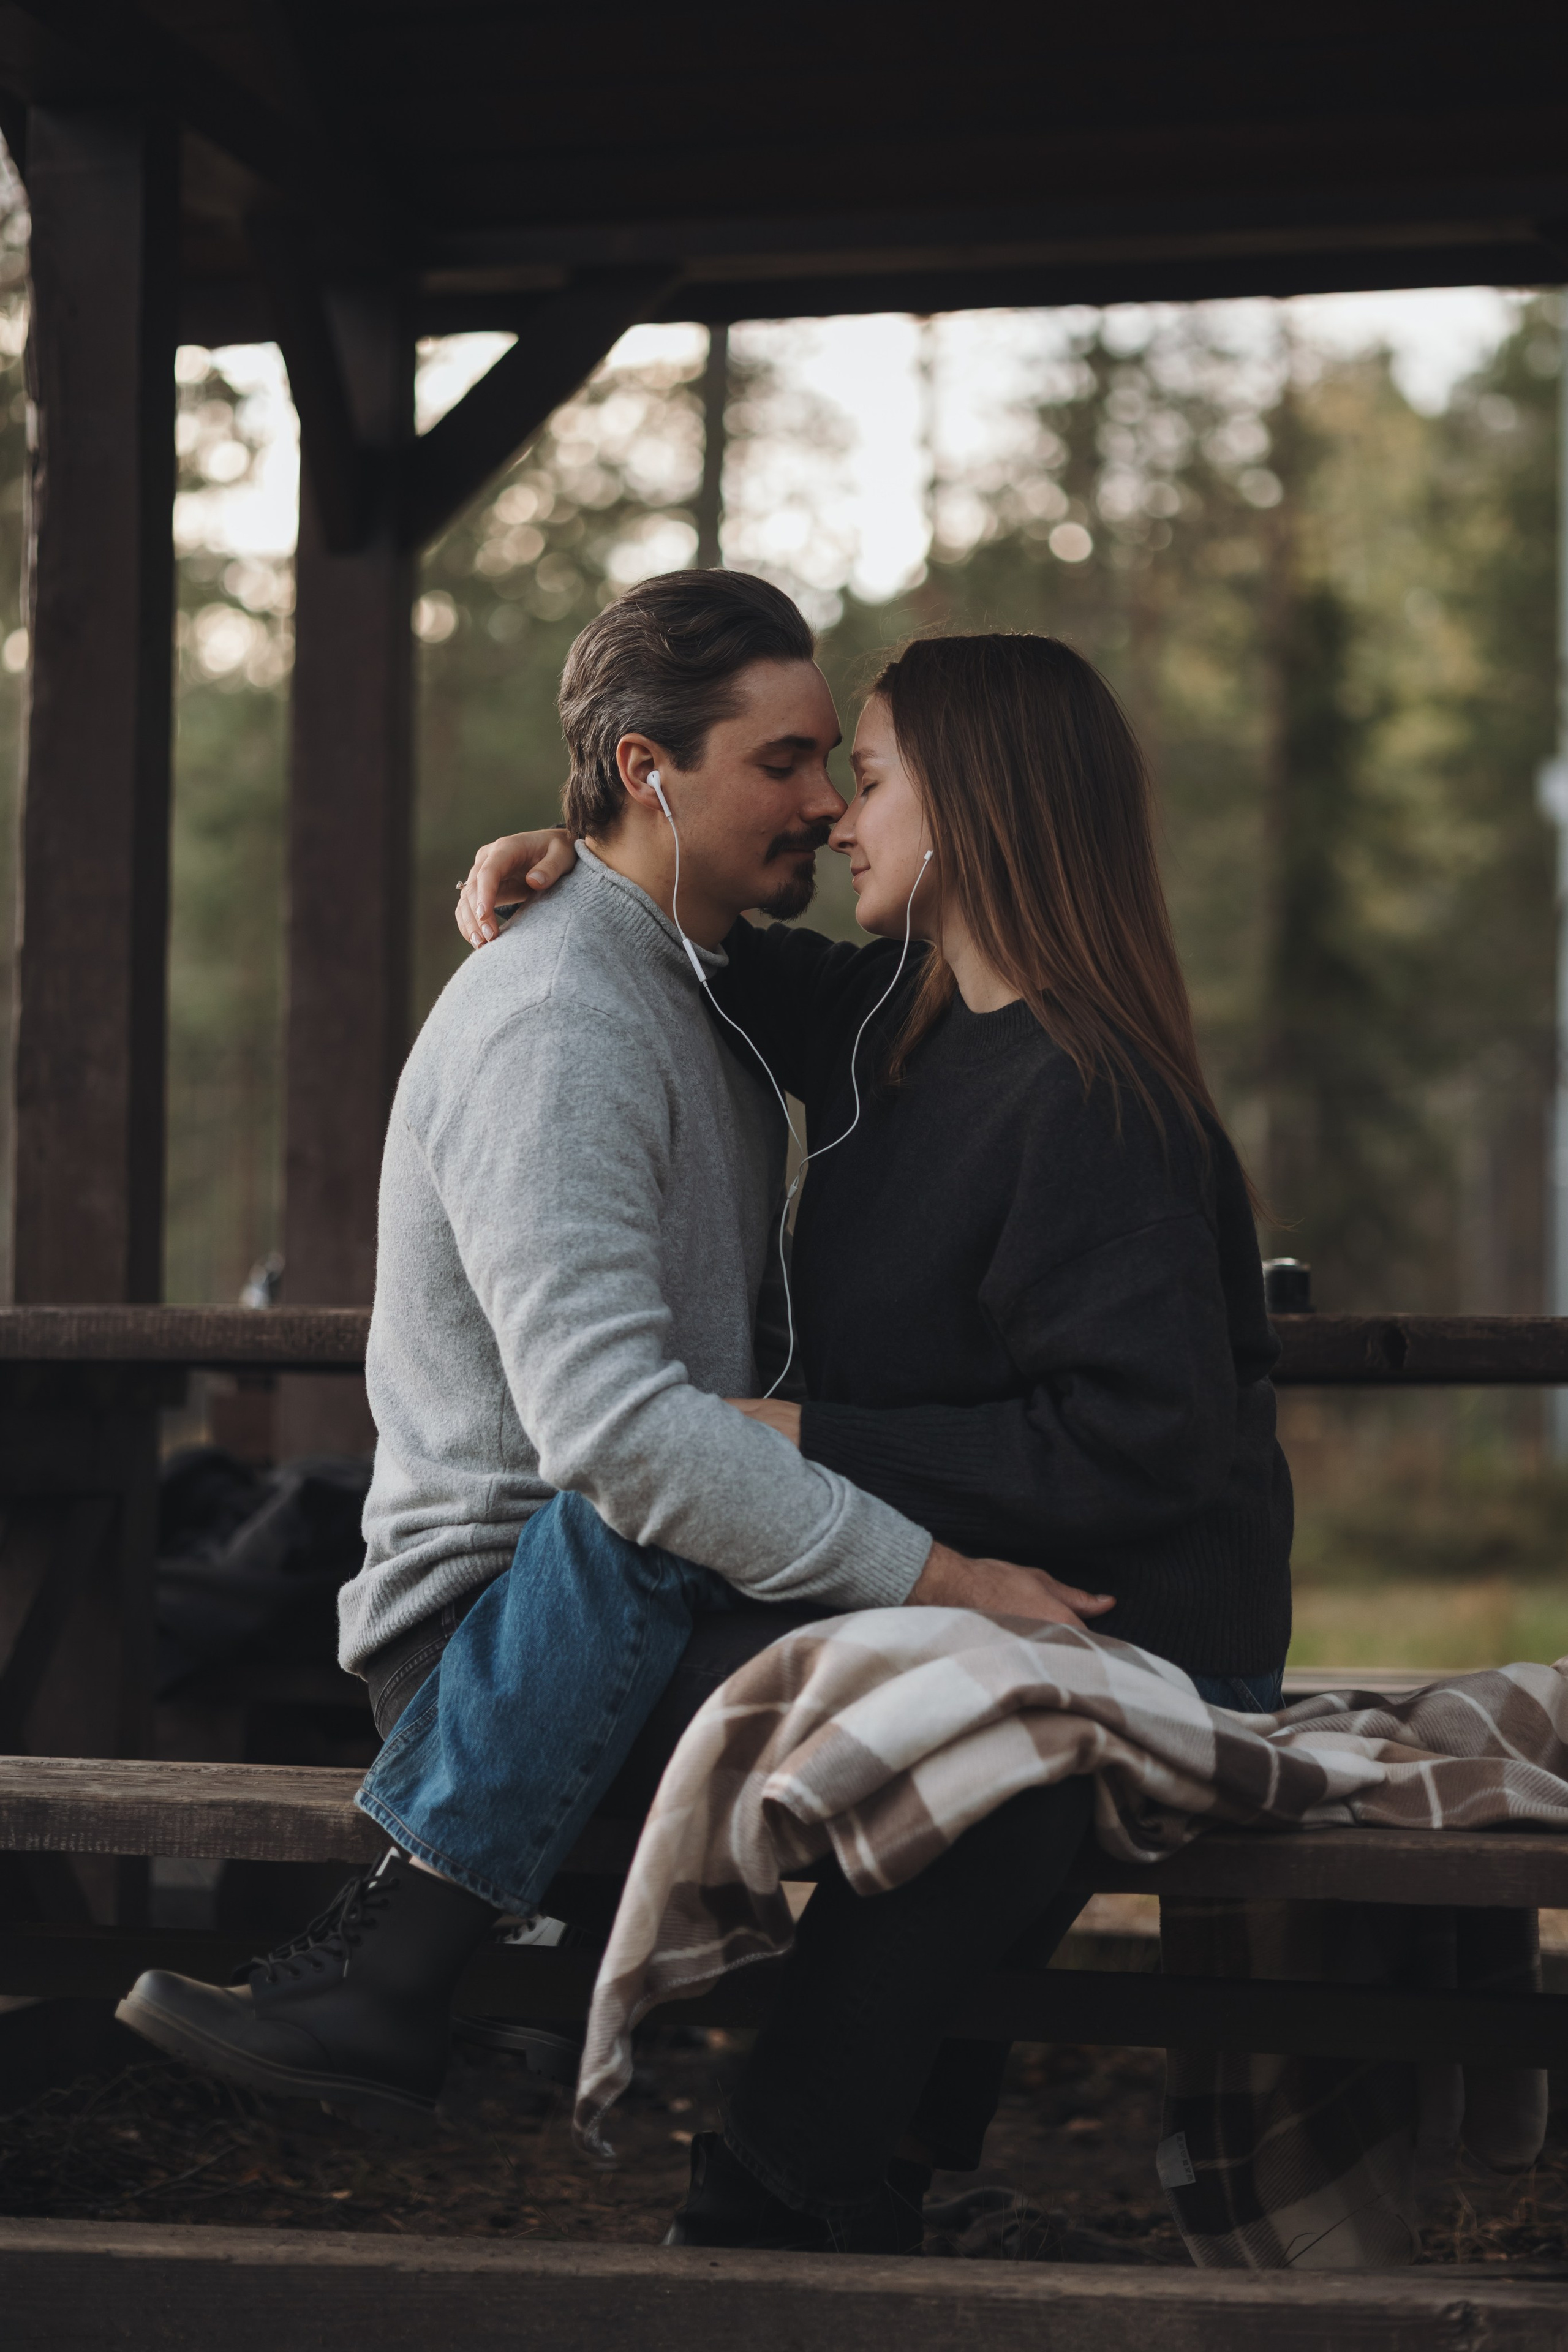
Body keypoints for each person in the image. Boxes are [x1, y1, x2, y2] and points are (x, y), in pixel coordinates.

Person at [115, 575, 1103, 2133]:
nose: (823, 802)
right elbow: (619, 1440)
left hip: (666, 1585)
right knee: (957, 1718)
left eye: (828, 763)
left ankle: (838, 2184)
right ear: (651, 770)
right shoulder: (562, 1021)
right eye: (779, 764)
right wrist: (939, 1573)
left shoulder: (688, 988)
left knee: (1003, 1738)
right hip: (499, 1640)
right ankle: (409, 1990)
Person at [457, 627, 1292, 2250]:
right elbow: (718, 930)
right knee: (866, 1699)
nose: (840, 817)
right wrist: (592, 854)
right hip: (977, 1585)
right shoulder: (896, 1026)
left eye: (876, 778)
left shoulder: (1094, 1097)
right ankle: (843, 2175)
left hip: (1143, 1625)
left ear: (976, 808)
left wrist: (804, 1430)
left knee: (980, 1766)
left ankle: (788, 2174)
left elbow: (1140, 1451)